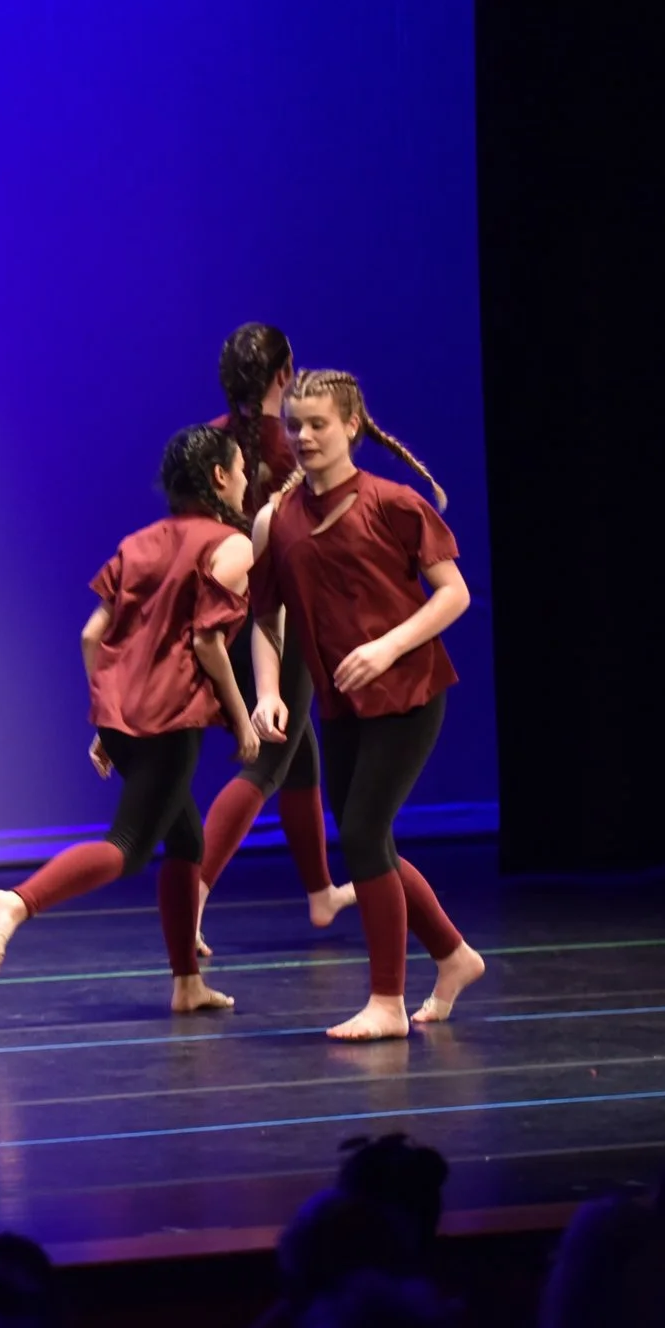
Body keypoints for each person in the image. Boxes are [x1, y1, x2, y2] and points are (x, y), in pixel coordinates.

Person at [0, 425, 255, 1014]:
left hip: (125, 720)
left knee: (185, 840)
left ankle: (186, 984)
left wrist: (107, 717)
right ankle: (18, 902)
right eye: (242, 469)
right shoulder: (230, 544)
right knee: (127, 846)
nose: (248, 480)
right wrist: (242, 719)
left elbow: (91, 634)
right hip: (171, 720)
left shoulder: (140, 542)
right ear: (220, 478)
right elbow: (208, 644)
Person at [248, 372, 484, 1040]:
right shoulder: (278, 519)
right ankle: (454, 955)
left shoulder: (393, 502)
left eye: (319, 423)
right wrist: (268, 692)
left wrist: (387, 647)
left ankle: (387, 1000)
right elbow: (266, 617)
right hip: (341, 701)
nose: (304, 437)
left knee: (358, 834)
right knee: (369, 838)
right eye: (295, 425)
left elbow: (453, 594)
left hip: (407, 689)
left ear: (351, 424)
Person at [196, 324, 354, 947]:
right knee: (265, 760)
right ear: (286, 376)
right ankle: (195, 892)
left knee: (297, 752)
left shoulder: (211, 441)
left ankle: (320, 894)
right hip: (273, 624)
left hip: (220, 614)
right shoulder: (295, 450)